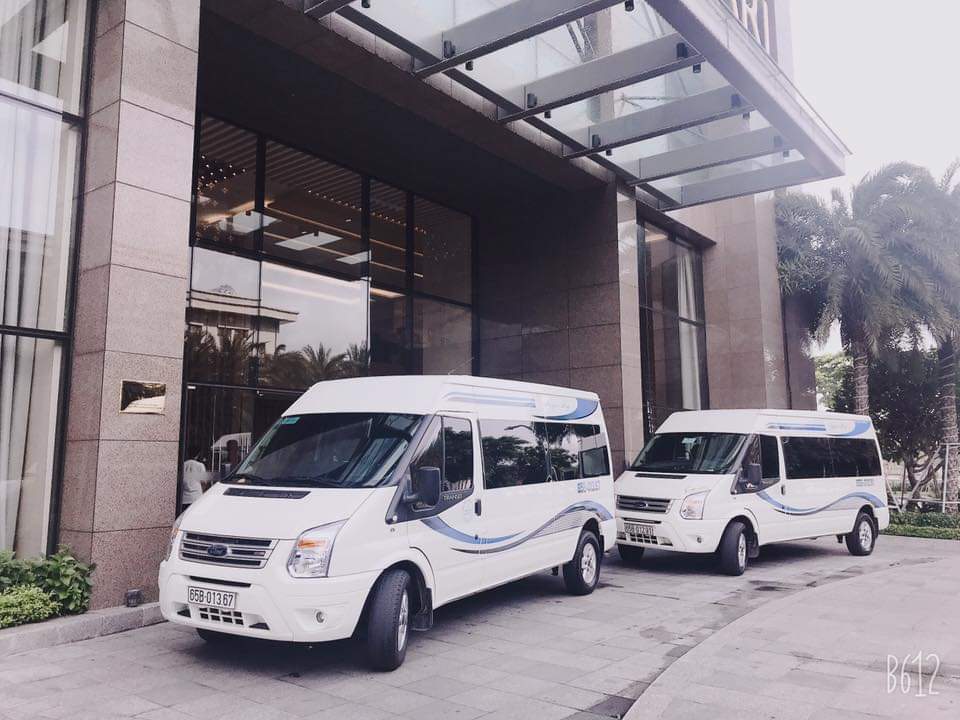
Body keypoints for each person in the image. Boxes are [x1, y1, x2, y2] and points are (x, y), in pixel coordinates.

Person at [181, 445, 207, 511]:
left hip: (184, 498)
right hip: (196, 497)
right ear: (198, 454)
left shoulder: (183, 465)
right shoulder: (200, 465)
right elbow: (204, 482)